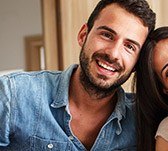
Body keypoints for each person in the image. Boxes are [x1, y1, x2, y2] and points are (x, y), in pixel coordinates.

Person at [0, 0, 155, 150]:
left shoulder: (144, 119)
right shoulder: (13, 94)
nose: (113, 53)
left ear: (137, 63)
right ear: (83, 35)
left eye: (129, 46)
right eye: (107, 35)